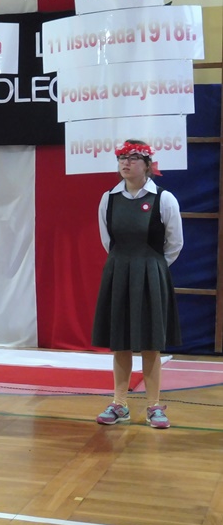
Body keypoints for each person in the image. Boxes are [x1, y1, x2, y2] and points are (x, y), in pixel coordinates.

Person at [93, 140, 183, 429]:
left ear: (147, 165)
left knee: (150, 342)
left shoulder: (164, 199)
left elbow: (175, 244)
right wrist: (126, 266)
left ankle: (154, 406)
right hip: (119, 271)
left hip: (151, 273)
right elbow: (108, 241)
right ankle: (119, 403)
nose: (125, 163)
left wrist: (151, 268)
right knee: (120, 341)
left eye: (132, 158)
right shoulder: (108, 199)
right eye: (122, 158)